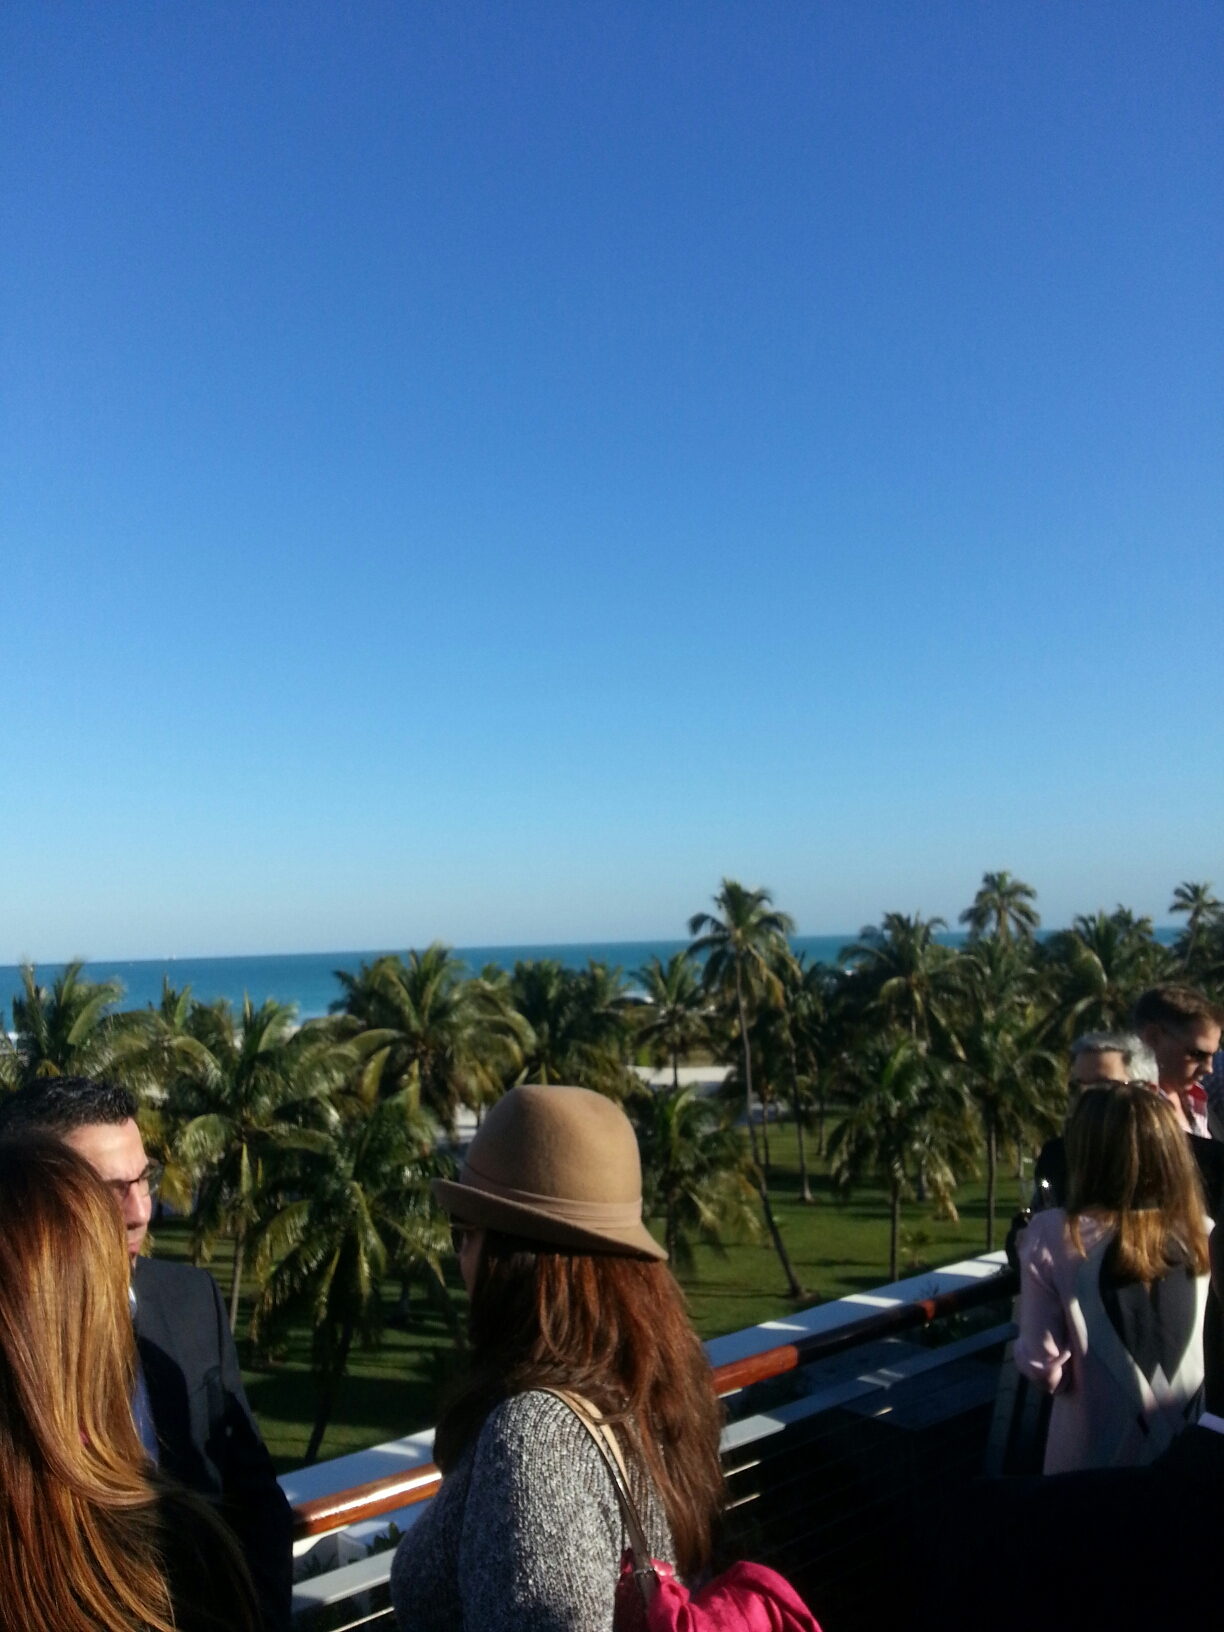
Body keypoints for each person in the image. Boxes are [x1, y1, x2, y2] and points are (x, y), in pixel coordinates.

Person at [389, 1084, 725, 1632]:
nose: (460, 1257)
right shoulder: (658, 1390)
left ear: (515, 1260)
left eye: (463, 1234)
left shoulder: (536, 1436)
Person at [0, 1078, 293, 1631]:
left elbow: (256, 1498)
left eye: (143, 1180)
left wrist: (260, 1617)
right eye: (108, 1190)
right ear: (34, 1204)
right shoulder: (15, 1354)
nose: (141, 1211)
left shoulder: (192, 1301)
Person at [1015, 1084, 1212, 1473]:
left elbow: (1043, 1368)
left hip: (1089, 1475)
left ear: (1086, 1155)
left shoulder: (1052, 1234)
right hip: (1189, 1467)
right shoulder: (1204, 1234)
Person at [1028, 1032, 1158, 1213]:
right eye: (1077, 1086)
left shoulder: (1178, 1158)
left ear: (1148, 1091)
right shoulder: (1057, 1156)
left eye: (1102, 1086)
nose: (1085, 1097)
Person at [1134, 983, 1224, 1138]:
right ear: (1153, 1037)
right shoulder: (1130, 1112)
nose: (1209, 1069)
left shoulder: (1200, 1104)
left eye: (1213, 1056)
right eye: (1197, 1054)